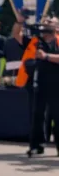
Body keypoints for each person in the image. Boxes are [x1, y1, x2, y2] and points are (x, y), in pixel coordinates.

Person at [26, 17, 59, 155]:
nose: (46, 26)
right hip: (40, 82)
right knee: (38, 115)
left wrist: (46, 56)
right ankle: (36, 145)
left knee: (58, 116)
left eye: (50, 23)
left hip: (57, 84)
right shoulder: (36, 42)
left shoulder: (57, 41)